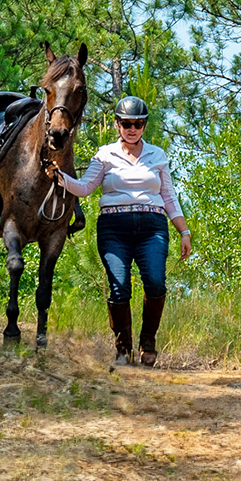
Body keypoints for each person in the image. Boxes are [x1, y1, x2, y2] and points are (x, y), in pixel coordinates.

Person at [51, 94, 193, 369]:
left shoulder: (157, 155)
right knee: (119, 287)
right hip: (113, 228)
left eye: (138, 124)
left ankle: (148, 342)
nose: (132, 128)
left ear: (144, 126)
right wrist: (58, 176)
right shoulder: (104, 155)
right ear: (117, 124)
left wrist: (184, 231)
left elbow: (169, 196)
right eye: (126, 123)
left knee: (155, 282)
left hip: (153, 227)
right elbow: (84, 188)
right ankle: (123, 349)